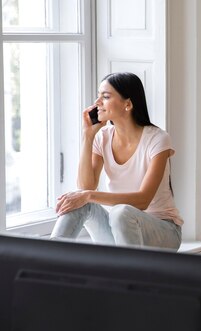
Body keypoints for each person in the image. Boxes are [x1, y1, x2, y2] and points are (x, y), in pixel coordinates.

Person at [51, 72, 183, 250]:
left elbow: (143, 200)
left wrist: (88, 195)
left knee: (120, 211)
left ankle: (128, 276)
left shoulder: (158, 139)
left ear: (127, 104)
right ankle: (48, 261)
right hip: (120, 229)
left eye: (105, 97)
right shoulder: (102, 137)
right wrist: (88, 137)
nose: (97, 103)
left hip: (164, 231)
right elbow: (86, 187)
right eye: (98, 96)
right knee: (80, 202)